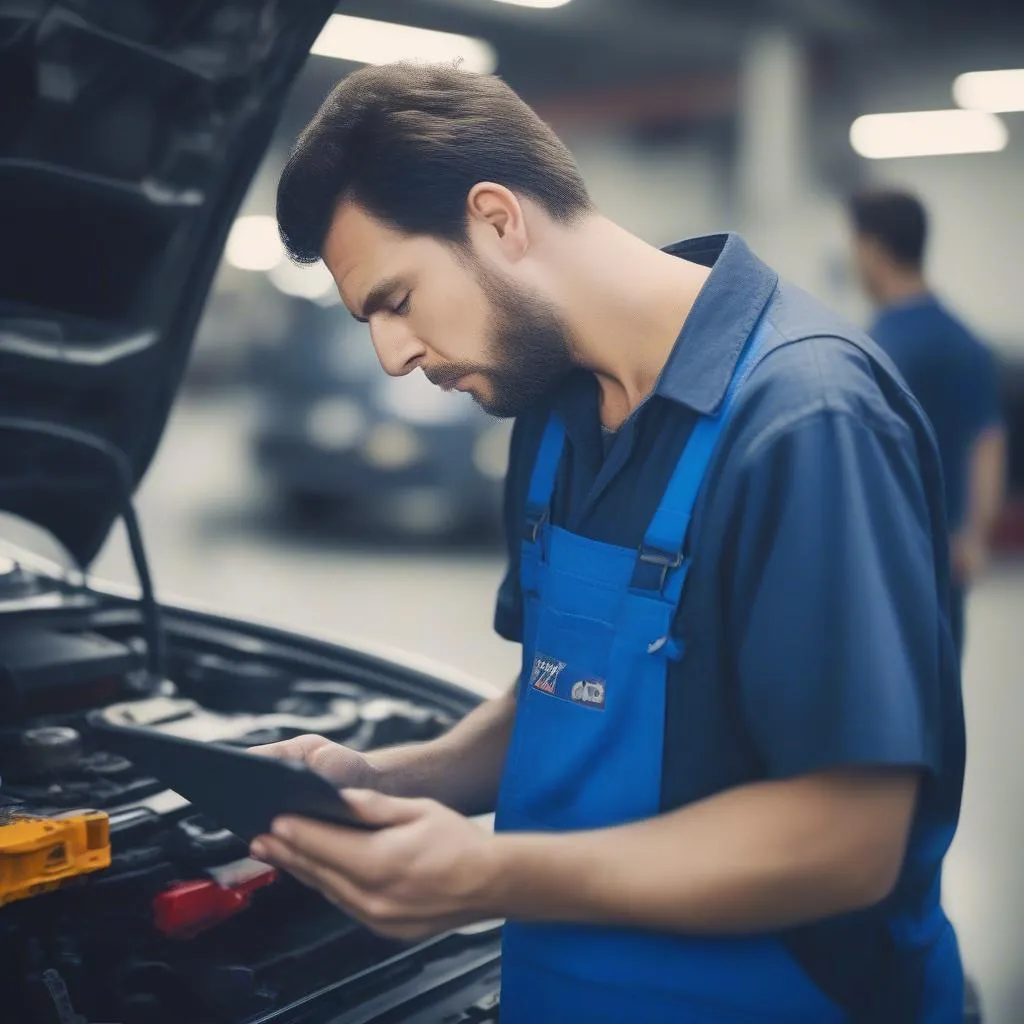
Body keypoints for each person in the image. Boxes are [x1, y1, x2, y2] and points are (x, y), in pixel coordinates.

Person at [249, 63, 966, 1022]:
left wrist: (491, 874)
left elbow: (848, 842)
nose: (393, 355)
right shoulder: (548, 409)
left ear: (498, 220)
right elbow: (560, 696)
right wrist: (384, 780)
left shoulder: (806, 421)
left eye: (398, 299)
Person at [849, 189, 1007, 658]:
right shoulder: (963, 340)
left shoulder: (871, 348)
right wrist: (976, 537)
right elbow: (988, 440)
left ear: (873, 250)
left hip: (883, 558)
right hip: (946, 556)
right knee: (937, 691)